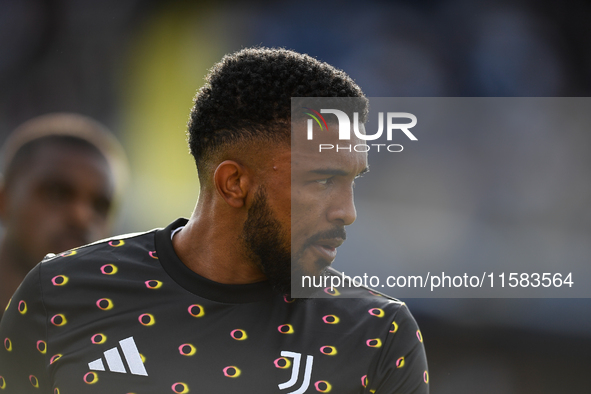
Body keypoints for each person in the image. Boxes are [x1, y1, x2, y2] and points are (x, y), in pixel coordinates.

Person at [0, 48, 428, 393]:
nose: (347, 211)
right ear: (233, 183)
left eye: (352, 182)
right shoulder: (58, 293)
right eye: (322, 181)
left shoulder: (378, 335)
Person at [0, 113, 127, 315]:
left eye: (100, 206)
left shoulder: (114, 332)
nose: (81, 217)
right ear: (4, 200)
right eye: (57, 193)